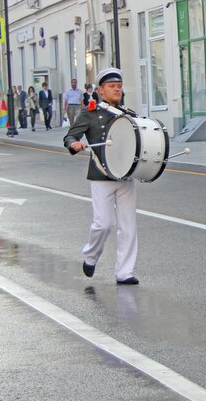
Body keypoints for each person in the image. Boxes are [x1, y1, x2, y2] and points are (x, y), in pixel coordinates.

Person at [64, 68, 141, 285]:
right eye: (111, 86)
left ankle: (124, 272)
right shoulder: (90, 114)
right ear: (100, 90)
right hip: (101, 176)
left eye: (119, 86)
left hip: (125, 177)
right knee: (103, 224)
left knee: (128, 226)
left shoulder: (129, 114)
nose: (117, 89)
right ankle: (90, 256)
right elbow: (70, 136)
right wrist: (74, 144)